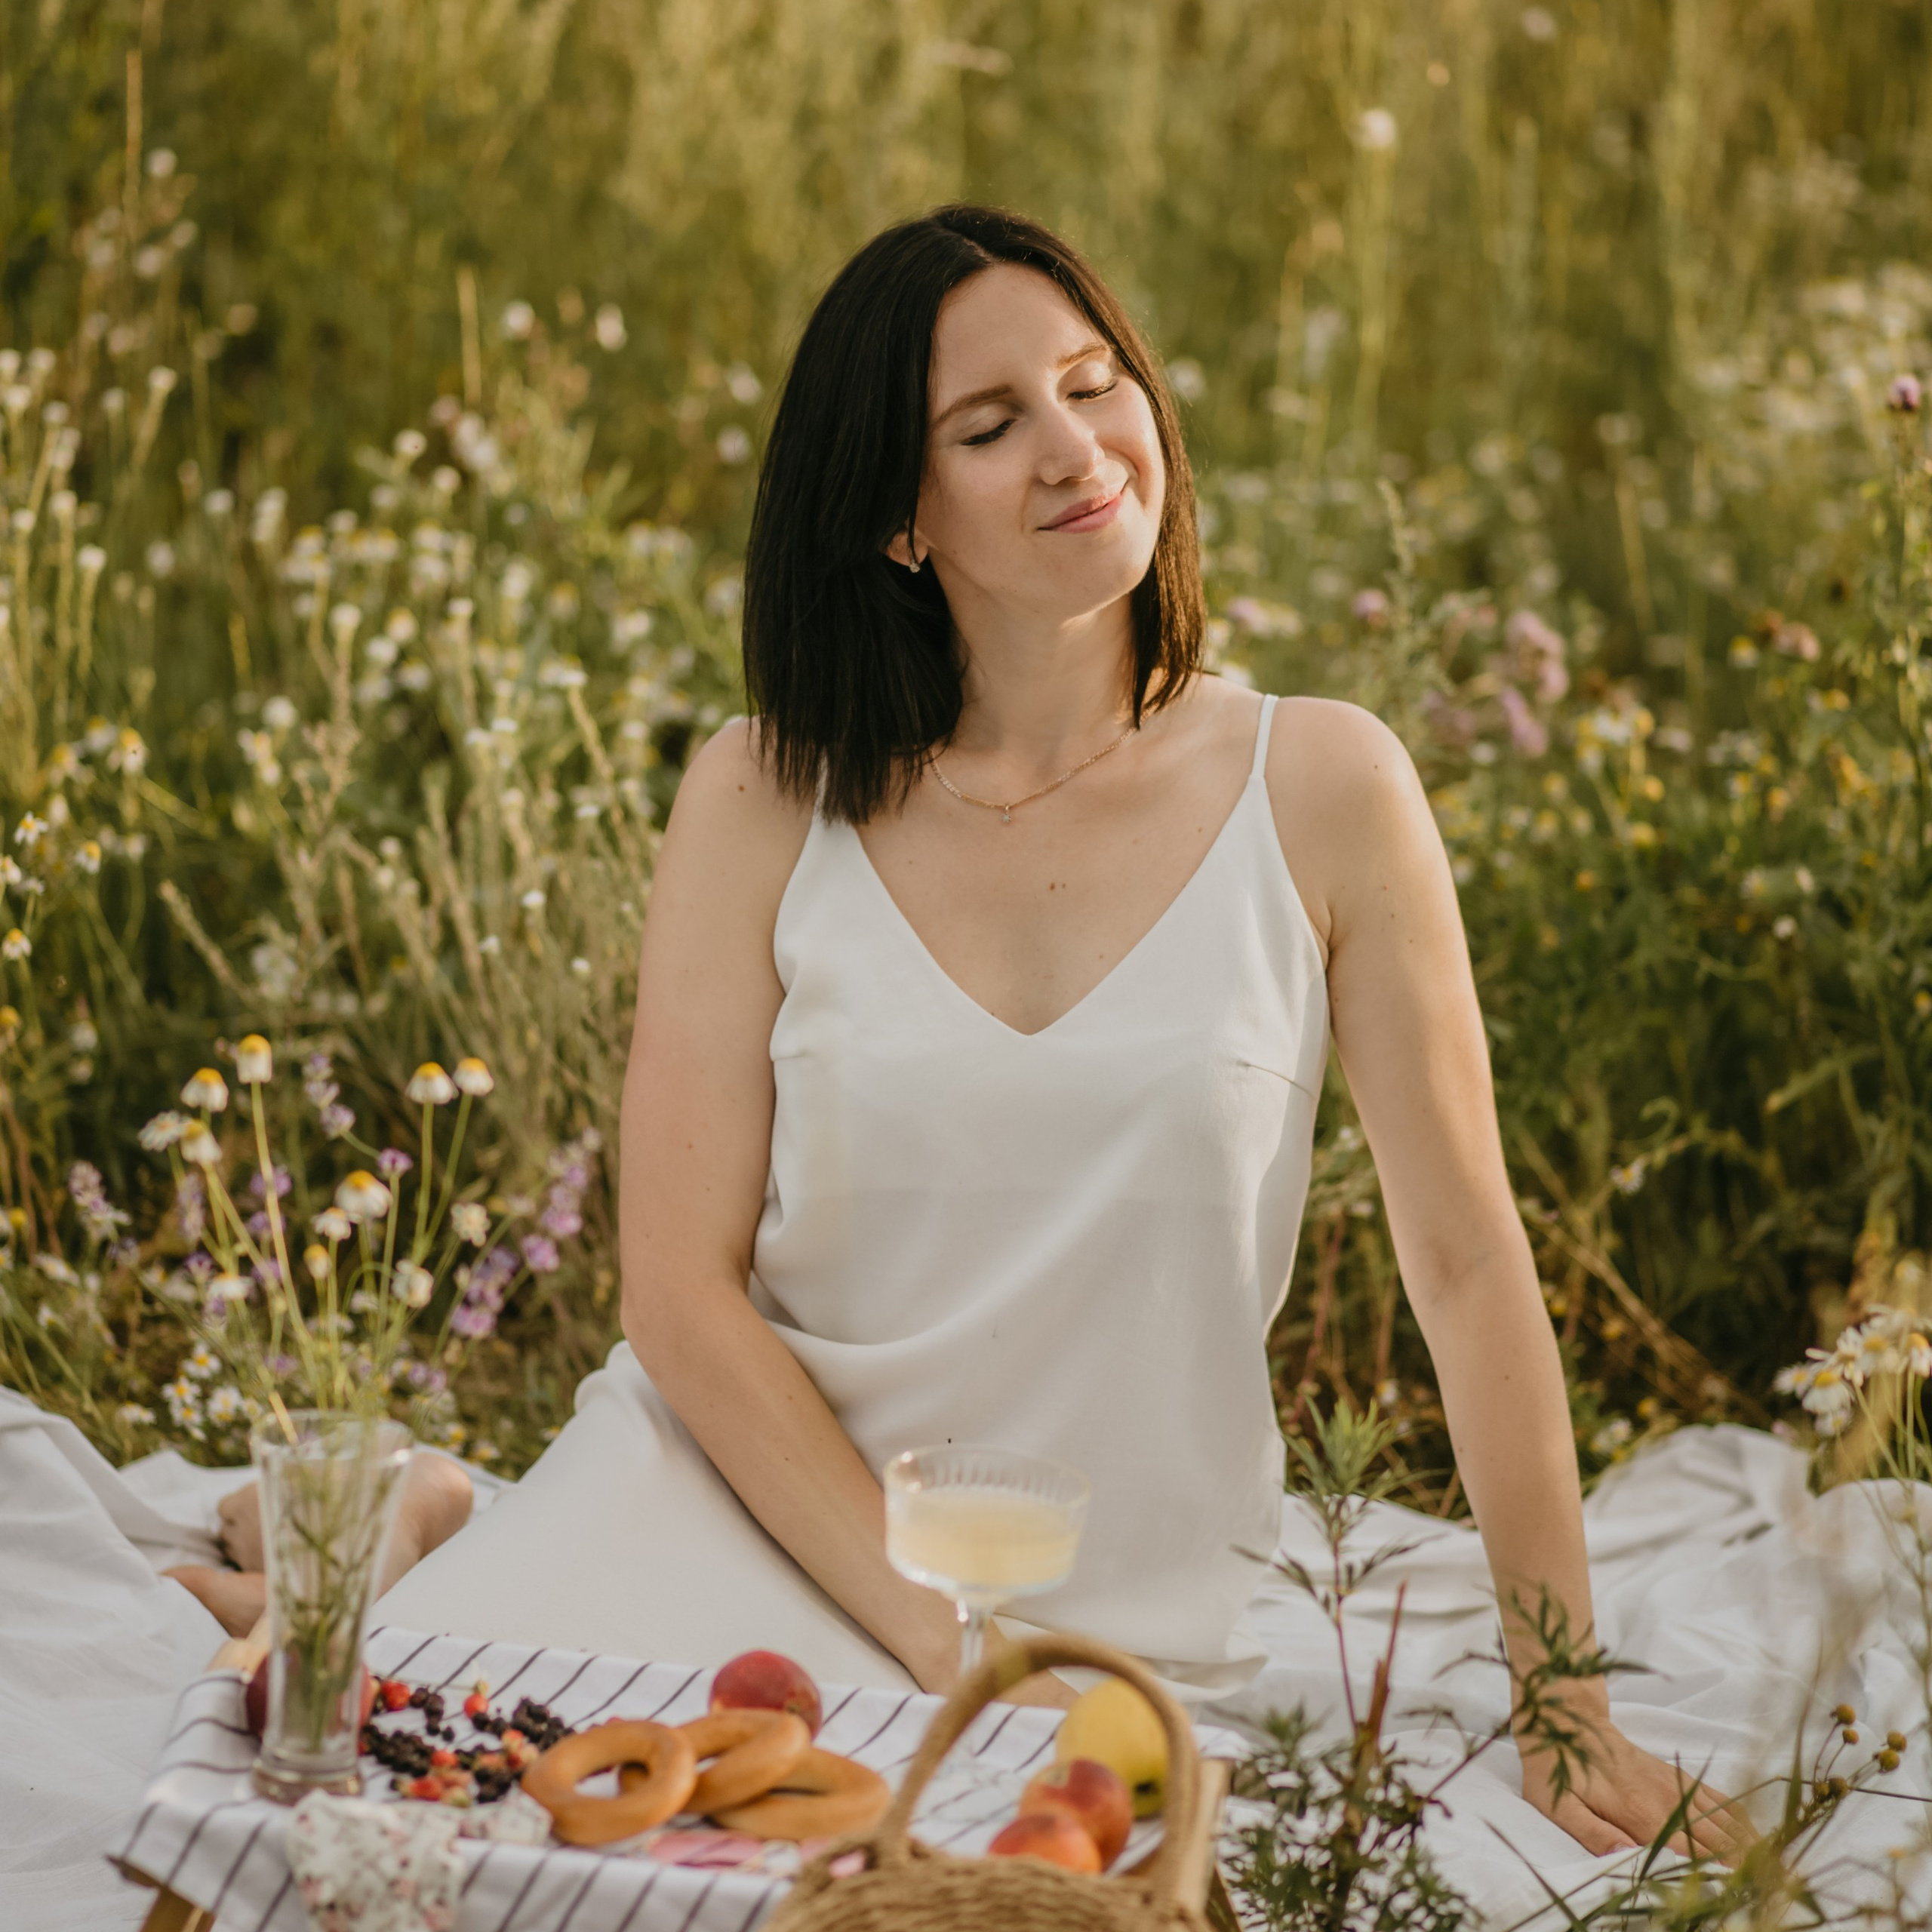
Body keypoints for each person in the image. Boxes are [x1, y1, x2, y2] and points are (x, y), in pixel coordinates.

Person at [188, 205, 1755, 1865]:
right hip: (744, 1512)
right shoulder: (759, 791)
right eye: (990, 425)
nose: (1078, 452)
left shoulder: (1325, 783)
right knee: (413, 1812)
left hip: (1130, 1611)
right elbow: (678, 1291)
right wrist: (954, 1653)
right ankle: (442, 1529)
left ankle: (433, 1519)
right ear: (896, 518)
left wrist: (1558, 1687)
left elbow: (1463, 1259)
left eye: (1096, 386)